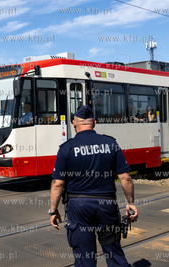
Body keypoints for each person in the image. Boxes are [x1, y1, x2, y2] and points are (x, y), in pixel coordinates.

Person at [49, 105, 138, 267]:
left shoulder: (66, 149)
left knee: (84, 259)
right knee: (114, 253)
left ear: (74, 123)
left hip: (78, 207)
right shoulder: (110, 143)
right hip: (106, 205)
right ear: (94, 123)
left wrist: (53, 210)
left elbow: (58, 184)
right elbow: (125, 178)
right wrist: (130, 203)